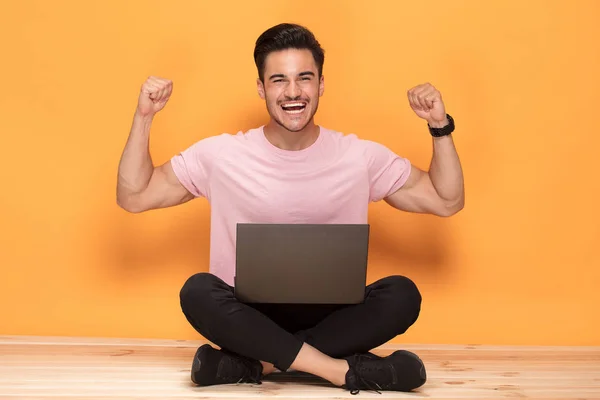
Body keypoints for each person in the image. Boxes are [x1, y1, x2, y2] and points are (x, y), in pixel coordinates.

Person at [116, 23, 464, 394]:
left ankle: (256, 364)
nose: (293, 92)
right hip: (249, 316)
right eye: (279, 80)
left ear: (321, 85)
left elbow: (446, 200)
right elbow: (134, 195)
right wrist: (144, 117)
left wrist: (439, 126)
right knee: (197, 291)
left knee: (402, 295)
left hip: (330, 317)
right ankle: (341, 371)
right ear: (261, 88)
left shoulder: (359, 156)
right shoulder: (220, 155)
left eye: (305, 78)